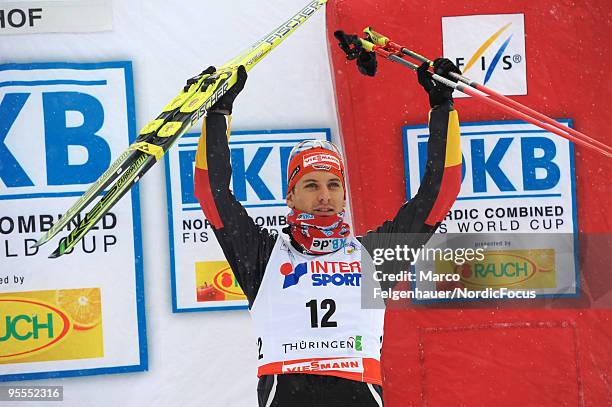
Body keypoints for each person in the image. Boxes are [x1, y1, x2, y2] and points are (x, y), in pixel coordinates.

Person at [193, 39, 462, 407]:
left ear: (345, 196)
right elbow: (213, 193)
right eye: (311, 185)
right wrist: (218, 112)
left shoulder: (374, 256)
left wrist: (443, 106)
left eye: (334, 185)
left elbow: (439, 193)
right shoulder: (262, 255)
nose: (325, 196)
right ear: (290, 197)